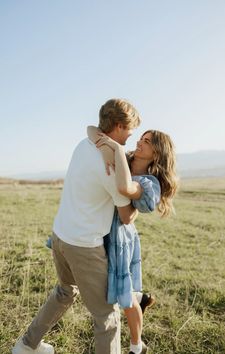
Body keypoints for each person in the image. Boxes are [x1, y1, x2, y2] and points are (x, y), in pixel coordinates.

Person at [12, 98, 141, 354]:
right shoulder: (111, 164)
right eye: (130, 129)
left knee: (64, 291)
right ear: (118, 125)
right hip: (84, 247)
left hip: (60, 236)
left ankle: (26, 346)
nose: (131, 135)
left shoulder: (85, 144)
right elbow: (126, 217)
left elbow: (91, 129)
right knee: (106, 316)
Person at [88, 127, 178, 354]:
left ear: (156, 153)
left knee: (125, 300)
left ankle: (137, 346)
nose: (139, 142)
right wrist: (114, 151)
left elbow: (128, 200)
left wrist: (115, 150)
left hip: (119, 241)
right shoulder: (123, 160)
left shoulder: (148, 183)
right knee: (112, 289)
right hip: (100, 232)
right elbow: (91, 129)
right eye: (140, 138)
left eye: (146, 142)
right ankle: (140, 296)